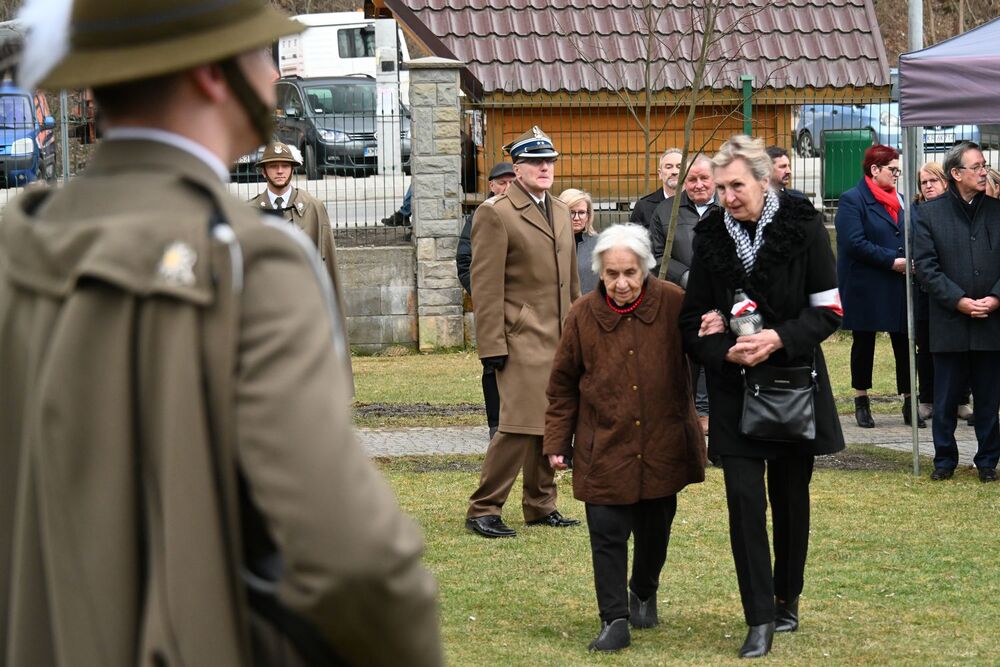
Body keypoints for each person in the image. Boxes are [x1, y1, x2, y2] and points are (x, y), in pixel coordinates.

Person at [0, 1, 442, 665]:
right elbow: (354, 561)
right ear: (212, 75)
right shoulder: (248, 267)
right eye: (263, 53)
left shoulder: (14, 251)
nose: (276, 74)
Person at [679, 135, 845, 659]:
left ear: (765, 179)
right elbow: (692, 321)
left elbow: (829, 310)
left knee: (791, 500)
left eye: (736, 185)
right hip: (733, 390)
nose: (727, 196)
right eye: (721, 186)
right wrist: (723, 348)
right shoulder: (709, 234)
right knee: (744, 503)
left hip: (792, 383)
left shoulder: (802, 222)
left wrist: (776, 337)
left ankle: (786, 596)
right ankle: (758, 618)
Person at [544, 223, 706, 653]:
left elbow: (706, 354)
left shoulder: (673, 302)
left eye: (630, 273)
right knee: (607, 534)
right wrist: (558, 442)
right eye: (612, 274)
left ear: (646, 269)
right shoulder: (581, 314)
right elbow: (562, 384)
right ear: (599, 272)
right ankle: (614, 619)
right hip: (604, 444)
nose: (621, 283)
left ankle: (644, 588)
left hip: (663, 443)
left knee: (655, 531)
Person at [465, 126, 581, 538]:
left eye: (549, 161)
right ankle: (484, 507)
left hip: (560, 336)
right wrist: (491, 343)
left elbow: (571, 282)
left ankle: (540, 504)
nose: (545, 168)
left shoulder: (563, 211)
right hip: (519, 336)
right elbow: (485, 284)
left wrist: (579, 332)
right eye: (535, 162)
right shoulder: (495, 213)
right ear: (517, 168)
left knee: (550, 423)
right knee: (516, 425)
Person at [914, 141, 1000, 483]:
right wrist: (959, 300)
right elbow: (926, 268)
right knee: (946, 396)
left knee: (988, 395)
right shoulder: (929, 214)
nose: (983, 171)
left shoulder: (996, 210)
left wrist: (995, 297)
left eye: (984, 165)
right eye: (976, 166)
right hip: (949, 320)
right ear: (956, 173)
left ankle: (989, 460)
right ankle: (944, 458)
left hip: (991, 319)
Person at [834, 145, 924, 429]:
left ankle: (910, 402)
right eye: (892, 170)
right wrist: (891, 260)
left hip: (897, 282)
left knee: (904, 342)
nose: (897, 175)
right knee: (864, 342)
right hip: (867, 283)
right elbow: (854, 242)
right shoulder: (852, 199)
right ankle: (861, 401)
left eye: (898, 170)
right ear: (875, 170)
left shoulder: (899, 199)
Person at [649, 153, 720, 436]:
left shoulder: (728, 208)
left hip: (718, 298)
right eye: (692, 179)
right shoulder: (666, 211)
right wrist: (684, 276)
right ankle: (683, 411)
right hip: (679, 297)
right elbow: (654, 255)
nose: (699, 184)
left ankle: (706, 412)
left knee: (712, 354)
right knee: (683, 355)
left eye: (705, 178)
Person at [249, 140, 346, 313]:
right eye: (273, 166)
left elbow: (328, 262)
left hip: (304, 307)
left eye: (285, 166)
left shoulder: (313, 207)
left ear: (292, 169)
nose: (280, 171)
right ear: (263, 171)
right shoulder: (250, 211)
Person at [457, 161, 517, 439]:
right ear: (491, 185)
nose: (507, 187)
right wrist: (482, 295)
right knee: (493, 364)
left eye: (511, 182)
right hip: (492, 305)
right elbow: (464, 259)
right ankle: (496, 423)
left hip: (522, 304)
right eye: (501, 183)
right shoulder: (482, 215)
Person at [912, 162, 972, 423]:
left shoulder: (956, 210)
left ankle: (960, 399)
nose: (928, 186)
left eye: (932, 181)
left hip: (957, 290)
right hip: (927, 293)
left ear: (945, 182)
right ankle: (927, 398)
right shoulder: (916, 212)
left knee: (962, 349)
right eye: (923, 182)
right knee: (925, 347)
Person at [559, 188, 600, 293]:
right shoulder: (550, 241)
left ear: (588, 215)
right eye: (571, 212)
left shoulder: (599, 243)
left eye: (581, 212)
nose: (576, 218)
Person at [630, 148, 682, 229]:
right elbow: (632, 239)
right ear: (660, 174)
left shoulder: (697, 203)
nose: (674, 171)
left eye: (680, 167)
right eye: (669, 167)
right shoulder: (643, 206)